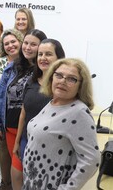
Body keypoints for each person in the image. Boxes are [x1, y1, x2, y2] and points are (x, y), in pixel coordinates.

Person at [22, 58, 100, 190]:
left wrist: (68, 188)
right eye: (58, 75)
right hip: (33, 181)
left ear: (81, 85)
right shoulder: (54, 102)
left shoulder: (78, 112)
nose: (62, 81)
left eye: (71, 79)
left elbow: (91, 159)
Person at [0, 29, 47, 190]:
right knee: (17, 170)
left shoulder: (46, 70)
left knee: (32, 172)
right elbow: (0, 96)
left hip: (34, 130)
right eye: (27, 43)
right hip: (11, 128)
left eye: (33, 44)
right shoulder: (12, 67)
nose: (28, 47)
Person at [13, 39, 65, 161]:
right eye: (40, 54)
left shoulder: (62, 86)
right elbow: (23, 114)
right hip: (27, 140)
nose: (43, 58)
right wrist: (17, 141)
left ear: (59, 57)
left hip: (51, 145)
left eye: (48, 54)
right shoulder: (32, 81)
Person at [0, 29, 23, 190]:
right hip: (4, 116)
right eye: (6, 43)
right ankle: (5, 183)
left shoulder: (29, 62)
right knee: (5, 150)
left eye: (13, 41)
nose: (10, 45)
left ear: (21, 41)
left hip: (23, 117)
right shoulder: (0, 63)